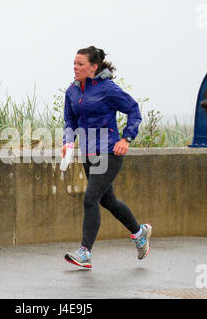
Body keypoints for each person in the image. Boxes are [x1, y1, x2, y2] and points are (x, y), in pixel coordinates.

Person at [62, 46, 152, 269]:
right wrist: (68, 141)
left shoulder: (107, 89)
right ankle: (139, 233)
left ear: (94, 67)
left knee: (91, 198)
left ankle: (85, 252)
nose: (75, 67)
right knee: (107, 200)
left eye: (80, 64)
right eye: (74, 63)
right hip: (88, 153)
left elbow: (133, 110)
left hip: (109, 151)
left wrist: (127, 138)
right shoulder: (72, 92)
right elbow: (69, 121)